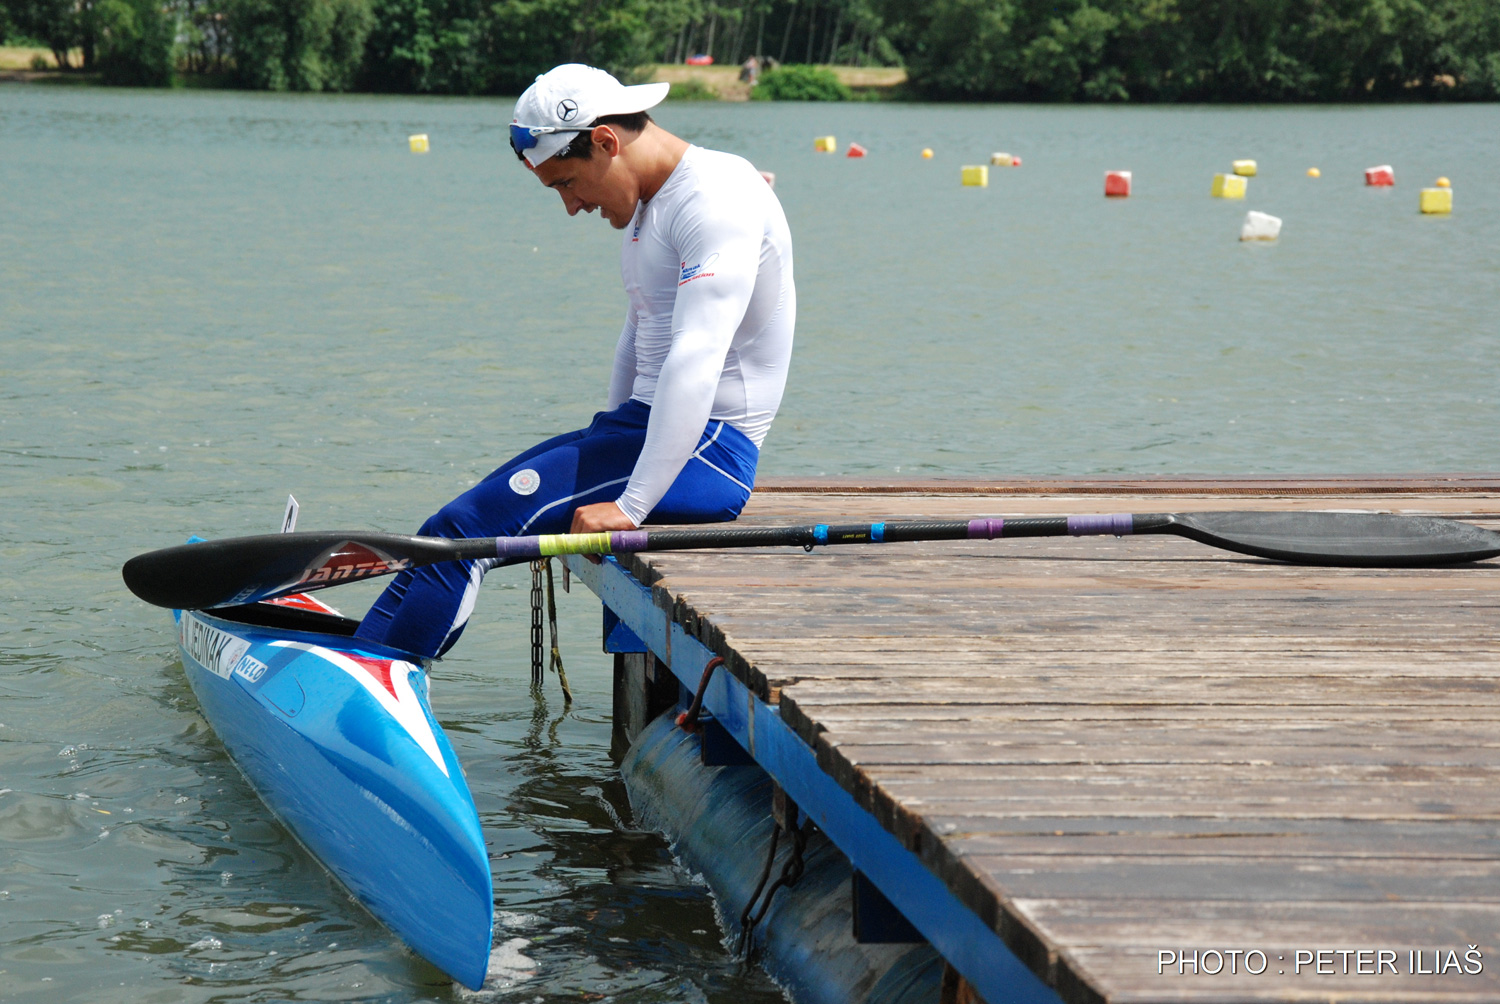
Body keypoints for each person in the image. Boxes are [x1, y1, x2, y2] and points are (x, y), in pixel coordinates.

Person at [355, 63, 796, 659]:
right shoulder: (656, 205)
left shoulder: (716, 197)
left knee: (468, 535)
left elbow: (695, 358)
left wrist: (627, 507)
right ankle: (359, 653)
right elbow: (636, 341)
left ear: (607, 142)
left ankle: (384, 683)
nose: (570, 207)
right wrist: (591, 474)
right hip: (649, 432)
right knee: (448, 526)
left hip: (710, 451)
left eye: (566, 183)